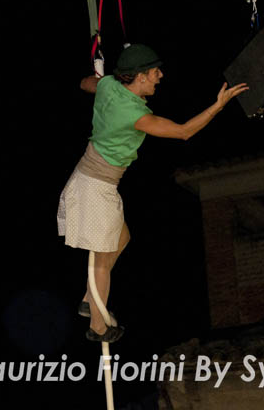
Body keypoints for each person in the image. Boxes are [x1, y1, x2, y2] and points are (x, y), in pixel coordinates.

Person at [57, 44, 248, 342]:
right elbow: (184, 132)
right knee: (101, 260)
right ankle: (97, 326)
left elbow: (85, 83)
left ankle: (89, 298)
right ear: (140, 77)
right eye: (155, 71)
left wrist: (102, 80)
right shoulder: (135, 115)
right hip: (95, 187)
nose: (160, 75)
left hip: (89, 178)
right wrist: (218, 105)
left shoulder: (109, 86)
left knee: (122, 238)